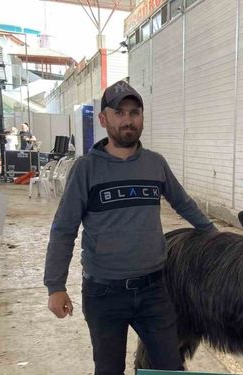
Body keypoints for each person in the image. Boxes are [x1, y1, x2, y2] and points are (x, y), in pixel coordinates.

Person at [44, 80, 216, 374]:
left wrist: (217, 237)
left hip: (154, 290)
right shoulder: (86, 169)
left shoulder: (155, 164)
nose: (128, 120)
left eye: (134, 113)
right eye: (119, 112)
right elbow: (64, 229)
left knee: (169, 367)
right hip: (104, 293)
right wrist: (55, 286)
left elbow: (184, 204)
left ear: (142, 118)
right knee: (109, 369)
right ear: (103, 119)